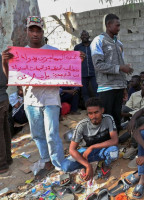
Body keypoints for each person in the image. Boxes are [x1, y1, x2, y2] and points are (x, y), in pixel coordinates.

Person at [1, 16, 85, 176]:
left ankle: (58, 162)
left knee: (52, 133)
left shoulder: (53, 52)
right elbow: (11, 78)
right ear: (27, 31)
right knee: (37, 134)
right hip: (31, 101)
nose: (34, 33)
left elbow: (68, 70)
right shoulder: (20, 54)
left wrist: (77, 61)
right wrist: (5, 63)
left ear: (42, 31)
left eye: (37, 30)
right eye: (31, 30)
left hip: (51, 99)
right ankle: (46, 159)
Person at [91, 13, 133, 130]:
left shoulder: (119, 44)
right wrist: (120, 67)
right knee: (106, 117)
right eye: (117, 26)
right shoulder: (98, 41)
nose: (119, 28)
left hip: (119, 86)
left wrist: (124, 86)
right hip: (107, 87)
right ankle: (106, 141)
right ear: (108, 25)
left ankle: (116, 142)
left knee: (116, 116)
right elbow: (98, 65)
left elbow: (122, 66)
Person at [61, 97, 119, 181]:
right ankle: (84, 166)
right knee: (65, 166)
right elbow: (72, 149)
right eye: (90, 113)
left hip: (103, 149)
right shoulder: (82, 125)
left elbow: (115, 140)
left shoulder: (108, 119)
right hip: (86, 153)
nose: (93, 116)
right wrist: (87, 165)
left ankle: (105, 164)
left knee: (114, 151)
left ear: (102, 110)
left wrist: (92, 147)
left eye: (96, 112)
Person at [74, 30, 98, 103]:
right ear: (80, 37)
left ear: (89, 36)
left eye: (86, 35)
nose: (84, 36)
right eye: (82, 35)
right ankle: (88, 107)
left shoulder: (93, 45)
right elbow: (74, 59)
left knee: (96, 90)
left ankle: (98, 106)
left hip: (94, 72)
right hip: (82, 73)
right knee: (84, 92)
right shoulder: (77, 47)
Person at [0, 55, 12, 174]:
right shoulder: (1, 58)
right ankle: (7, 159)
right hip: (3, 99)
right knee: (4, 130)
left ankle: (2, 164)